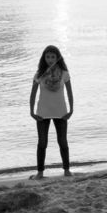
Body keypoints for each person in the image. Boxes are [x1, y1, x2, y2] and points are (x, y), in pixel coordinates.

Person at [29, 45, 73, 179]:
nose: (50, 59)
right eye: (47, 57)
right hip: (42, 113)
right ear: (44, 58)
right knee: (42, 143)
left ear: (57, 57)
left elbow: (70, 94)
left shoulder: (64, 74)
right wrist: (32, 112)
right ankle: (40, 173)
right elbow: (32, 94)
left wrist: (71, 110)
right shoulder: (39, 75)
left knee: (63, 142)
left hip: (61, 112)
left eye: (52, 57)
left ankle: (67, 171)